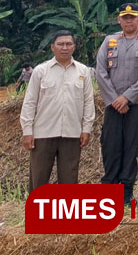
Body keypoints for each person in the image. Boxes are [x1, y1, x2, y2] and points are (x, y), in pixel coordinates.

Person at [95, 3, 138, 203]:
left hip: (137, 103)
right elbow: (100, 71)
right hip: (113, 103)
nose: (129, 21)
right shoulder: (109, 41)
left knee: (132, 144)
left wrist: (127, 97)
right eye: (125, 17)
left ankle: (126, 189)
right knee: (110, 144)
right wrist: (115, 99)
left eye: (133, 17)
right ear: (119, 20)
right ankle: (109, 186)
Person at [20, 30, 95, 191]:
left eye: (69, 44)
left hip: (72, 133)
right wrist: (27, 131)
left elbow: (89, 102)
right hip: (43, 133)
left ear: (74, 47)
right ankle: (38, 214)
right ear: (52, 47)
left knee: (69, 179)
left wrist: (86, 129)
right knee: (39, 178)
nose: (65, 48)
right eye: (60, 44)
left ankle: (65, 214)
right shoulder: (41, 71)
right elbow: (30, 102)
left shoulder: (83, 72)